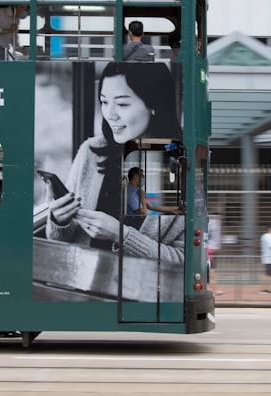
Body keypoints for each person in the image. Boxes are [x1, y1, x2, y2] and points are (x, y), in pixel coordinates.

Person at [44, 62, 185, 262]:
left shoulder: (179, 165)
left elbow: (184, 262)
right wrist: (60, 220)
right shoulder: (91, 153)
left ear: (154, 103)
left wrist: (122, 235)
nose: (110, 114)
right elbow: (60, 241)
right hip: (83, 285)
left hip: (144, 291)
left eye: (122, 104)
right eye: (104, 102)